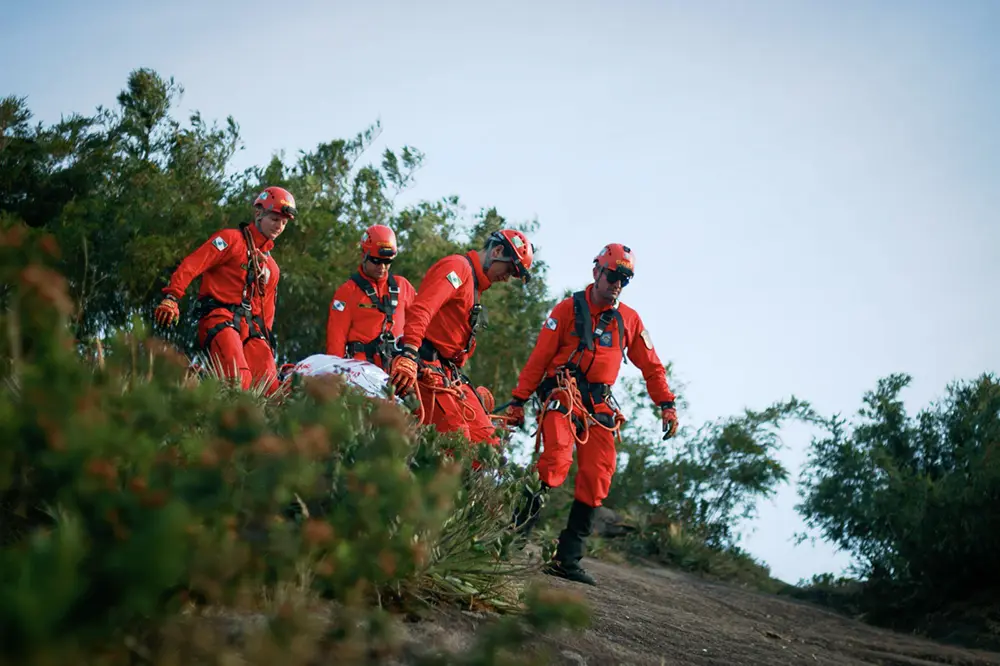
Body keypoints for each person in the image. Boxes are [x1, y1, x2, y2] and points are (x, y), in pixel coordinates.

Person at [504, 243, 679, 586]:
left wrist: (667, 404)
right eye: (613, 275)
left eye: (624, 280)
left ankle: (566, 559)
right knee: (555, 461)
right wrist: (517, 401)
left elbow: (652, 367)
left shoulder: (629, 320)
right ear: (597, 271)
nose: (617, 284)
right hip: (562, 394)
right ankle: (512, 538)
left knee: (598, 477)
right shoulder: (567, 309)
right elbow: (539, 359)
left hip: (598, 406)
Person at [389, 229, 534, 446]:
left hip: (449, 375)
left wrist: (473, 396)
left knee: (490, 446)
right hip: (426, 369)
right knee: (458, 444)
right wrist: (409, 354)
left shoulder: (475, 288)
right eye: (510, 269)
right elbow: (423, 309)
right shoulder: (457, 268)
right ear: (497, 251)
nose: (507, 278)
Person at [153, 186, 296, 396]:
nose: (279, 226)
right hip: (220, 319)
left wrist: (266, 345)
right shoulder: (230, 240)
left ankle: (204, 381)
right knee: (239, 381)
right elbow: (193, 264)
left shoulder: (272, 269)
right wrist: (172, 296)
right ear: (259, 214)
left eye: (283, 223)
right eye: (275, 219)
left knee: (271, 391)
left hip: (252, 330)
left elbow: (266, 314)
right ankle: (197, 383)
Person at [325, 224, 417, 369]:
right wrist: (335, 373)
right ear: (364, 255)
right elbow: (336, 338)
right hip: (361, 370)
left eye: (387, 262)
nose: (382, 267)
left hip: (398, 369)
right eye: (376, 261)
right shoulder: (347, 292)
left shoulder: (403, 286)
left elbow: (419, 325)